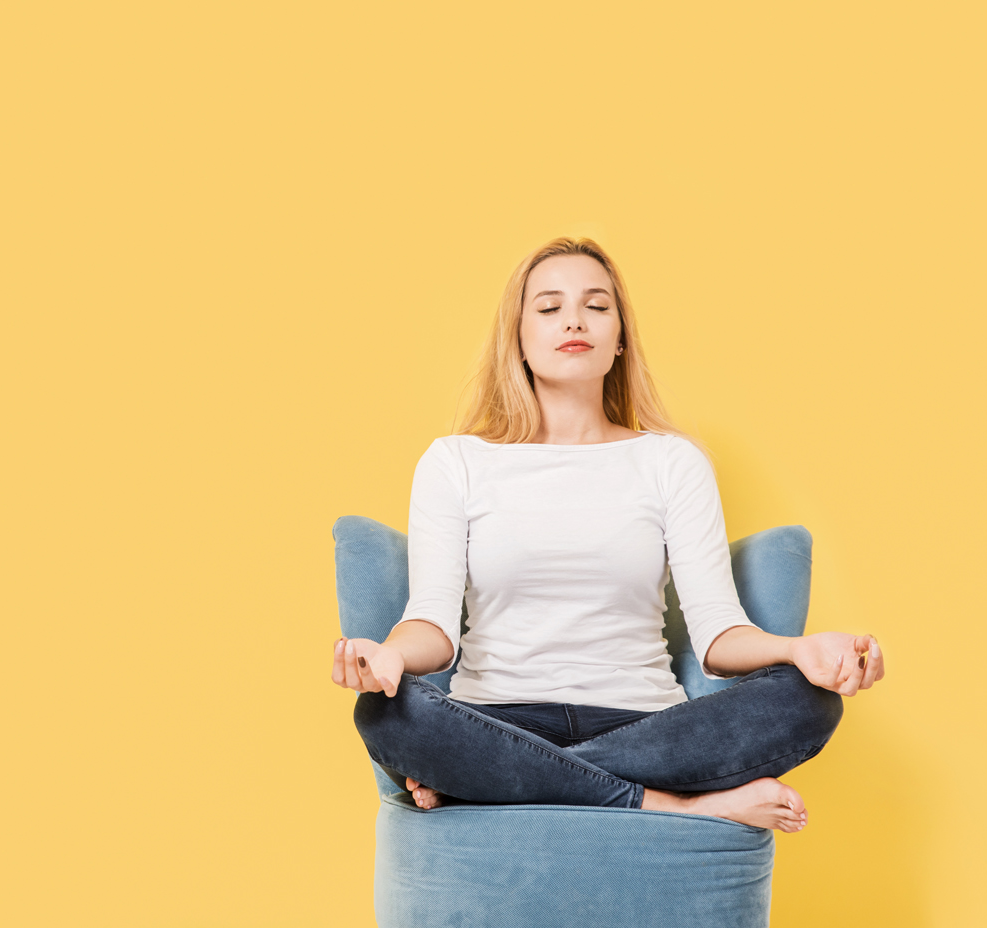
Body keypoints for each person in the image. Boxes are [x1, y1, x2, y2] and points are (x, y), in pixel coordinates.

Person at [329, 237, 885, 833]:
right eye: (548, 308)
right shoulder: (455, 461)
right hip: (497, 720)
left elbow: (720, 637)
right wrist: (388, 655)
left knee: (806, 702)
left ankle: (495, 785)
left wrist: (797, 651)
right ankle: (674, 804)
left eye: (596, 306)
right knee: (388, 715)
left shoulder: (672, 462)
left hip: (646, 725)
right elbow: (432, 627)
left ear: (620, 339)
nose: (574, 319)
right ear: (516, 339)